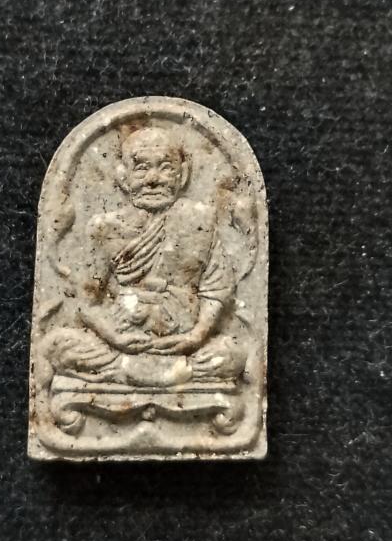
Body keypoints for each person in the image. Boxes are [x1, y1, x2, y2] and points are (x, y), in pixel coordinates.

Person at [38, 127, 246, 388]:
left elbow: (216, 290)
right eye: (141, 169)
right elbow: (85, 301)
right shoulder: (105, 228)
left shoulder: (199, 221)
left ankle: (136, 373)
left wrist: (196, 336)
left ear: (183, 176)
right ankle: (168, 374)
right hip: (120, 343)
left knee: (233, 353)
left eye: (166, 168)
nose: (153, 180)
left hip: (182, 343)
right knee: (58, 345)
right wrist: (114, 337)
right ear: (123, 176)